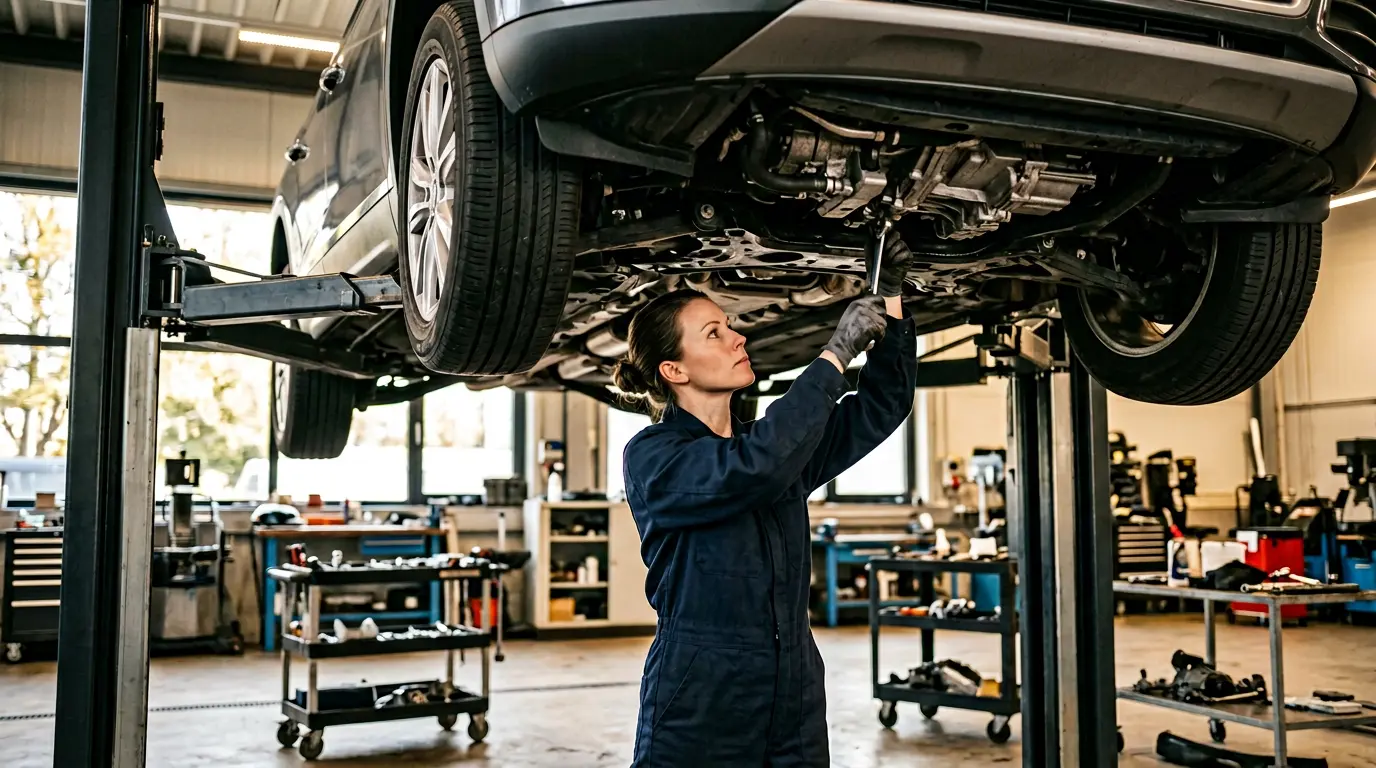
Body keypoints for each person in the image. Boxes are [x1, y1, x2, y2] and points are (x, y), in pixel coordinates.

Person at [612, 239, 918, 767]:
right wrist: (833, 356)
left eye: (729, 325)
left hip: (793, 682)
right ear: (674, 371)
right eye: (715, 333)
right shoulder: (654, 457)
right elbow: (753, 468)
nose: (738, 337)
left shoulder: (775, 445)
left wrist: (889, 299)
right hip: (704, 689)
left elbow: (881, 406)